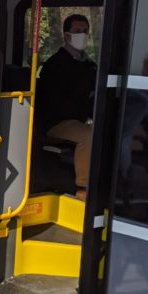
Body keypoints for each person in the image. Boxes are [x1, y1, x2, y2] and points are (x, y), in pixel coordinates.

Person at [36, 14, 97, 201]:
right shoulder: (55, 65)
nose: (82, 35)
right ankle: (83, 187)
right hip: (57, 122)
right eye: (77, 31)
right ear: (66, 35)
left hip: (80, 119)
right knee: (89, 135)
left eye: (85, 31)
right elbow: (55, 103)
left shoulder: (90, 66)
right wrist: (84, 116)